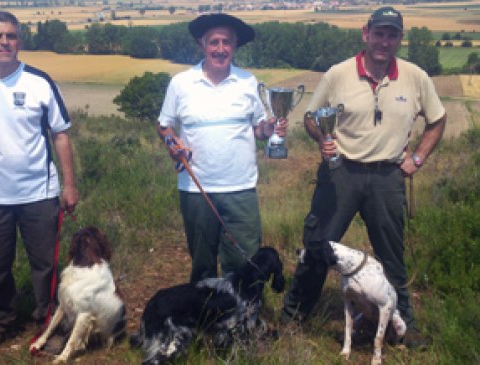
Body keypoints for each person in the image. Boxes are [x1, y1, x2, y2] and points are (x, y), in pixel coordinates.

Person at [282, 7, 446, 348]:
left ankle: (405, 328)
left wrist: (417, 158)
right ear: (365, 33)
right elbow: (312, 118)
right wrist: (321, 138)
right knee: (318, 248)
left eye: (392, 35)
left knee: (392, 256)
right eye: (379, 33)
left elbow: (437, 120)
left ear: (400, 38)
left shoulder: (415, 77)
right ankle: (291, 320)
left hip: (387, 177)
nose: (384, 41)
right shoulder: (338, 74)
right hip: (339, 174)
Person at [0, 11, 79, 350]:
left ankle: (50, 324)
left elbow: (61, 135)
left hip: (39, 192)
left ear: (19, 41)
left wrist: (69, 185)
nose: (3, 42)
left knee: (46, 265)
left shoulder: (39, 81)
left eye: (10, 36)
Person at [157, 13, 287, 284]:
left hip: (240, 188)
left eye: (226, 42)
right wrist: (174, 144)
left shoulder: (248, 82)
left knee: (243, 262)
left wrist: (271, 129)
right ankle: (203, 318)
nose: (220, 48)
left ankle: (242, 321)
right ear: (202, 45)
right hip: (196, 189)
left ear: (235, 45)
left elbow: (259, 130)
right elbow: (164, 126)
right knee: (202, 262)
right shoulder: (181, 83)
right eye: (213, 42)